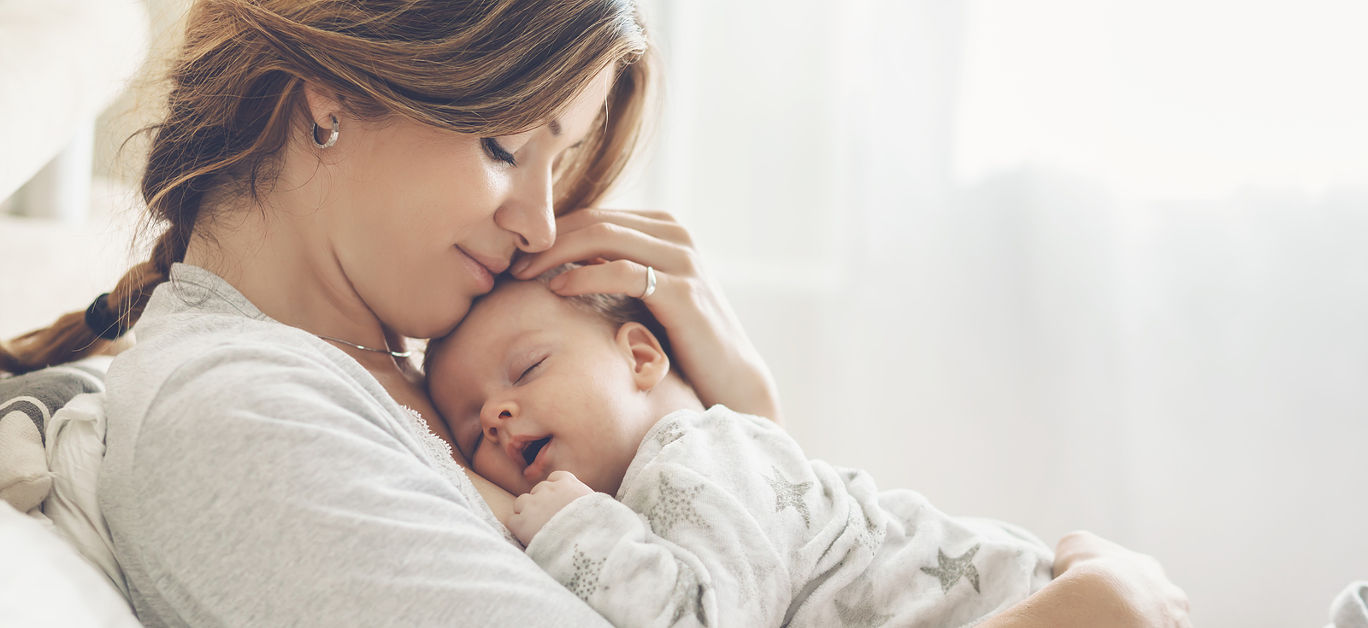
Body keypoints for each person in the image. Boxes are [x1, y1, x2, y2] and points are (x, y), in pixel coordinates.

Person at [0, 0, 1190, 626]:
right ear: (329, 100)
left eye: (560, 172)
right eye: (507, 144)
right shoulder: (241, 418)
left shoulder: (420, 377)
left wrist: (734, 422)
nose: (536, 223)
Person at [426, 268, 1057, 626]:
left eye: (528, 368)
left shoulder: (696, 453)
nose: (495, 414)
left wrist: (575, 528)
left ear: (641, 356)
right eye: (471, 430)